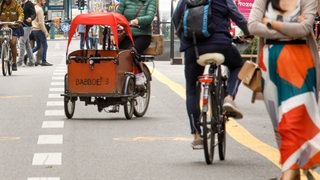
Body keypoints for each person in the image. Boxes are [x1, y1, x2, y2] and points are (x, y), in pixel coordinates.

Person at [248, 0, 320, 179]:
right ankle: (290, 169)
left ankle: (291, 169)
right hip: (270, 62)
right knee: (278, 121)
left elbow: (304, 29)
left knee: (295, 117)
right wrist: (289, 28)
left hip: (301, 61)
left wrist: (271, 23)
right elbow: (252, 26)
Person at [172, 0, 251, 149]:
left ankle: (196, 134)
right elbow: (238, 18)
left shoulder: (184, 1)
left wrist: (185, 39)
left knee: (191, 89)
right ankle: (229, 97)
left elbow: (176, 20)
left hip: (193, 49)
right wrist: (248, 32)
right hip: (221, 45)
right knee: (238, 65)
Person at [111, 0, 156, 85]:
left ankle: (140, 77)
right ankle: (119, 80)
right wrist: (112, 33)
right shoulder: (125, 1)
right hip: (126, 35)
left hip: (142, 35)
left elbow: (150, 17)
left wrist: (137, 21)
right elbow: (116, 16)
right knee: (119, 55)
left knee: (132, 52)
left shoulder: (150, 1)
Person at [0, 0, 24, 71]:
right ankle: (3, 51)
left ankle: (14, 62)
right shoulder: (1, 5)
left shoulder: (16, 5)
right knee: (1, 40)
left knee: (13, 43)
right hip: (3, 26)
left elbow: (21, 13)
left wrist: (19, 19)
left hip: (14, 27)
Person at [31, 0, 52, 66]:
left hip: (34, 29)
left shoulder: (34, 8)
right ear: (39, 1)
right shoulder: (40, 10)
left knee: (38, 46)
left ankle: (27, 55)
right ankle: (43, 61)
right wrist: (46, 32)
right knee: (45, 45)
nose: (45, 2)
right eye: (43, 1)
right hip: (39, 30)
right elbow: (41, 23)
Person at [17, 0, 36, 67]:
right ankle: (32, 61)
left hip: (27, 26)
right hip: (21, 26)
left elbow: (34, 14)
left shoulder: (29, 3)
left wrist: (31, 18)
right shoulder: (21, 4)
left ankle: (19, 62)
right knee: (27, 44)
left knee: (21, 42)